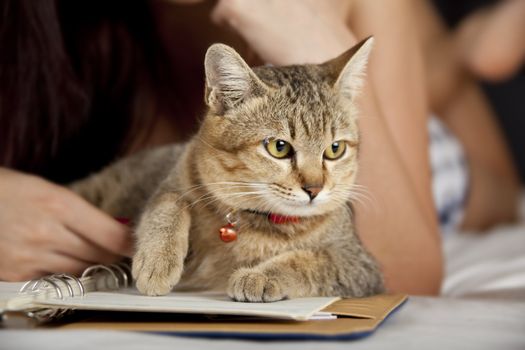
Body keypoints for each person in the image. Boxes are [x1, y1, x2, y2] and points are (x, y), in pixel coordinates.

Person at [0, 0, 519, 295]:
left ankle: (464, 54)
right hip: (287, 161)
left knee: (477, 186)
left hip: (365, 152)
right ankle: (453, 60)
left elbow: (412, 276)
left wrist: (316, 46)